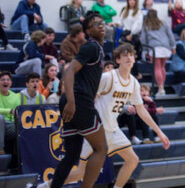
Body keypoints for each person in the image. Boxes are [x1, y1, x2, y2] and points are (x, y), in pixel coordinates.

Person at [41, 44, 170, 188]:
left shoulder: (133, 82)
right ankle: (45, 186)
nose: (129, 58)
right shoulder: (107, 77)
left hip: (113, 129)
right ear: (117, 59)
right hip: (96, 130)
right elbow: (87, 94)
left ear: (134, 59)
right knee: (79, 174)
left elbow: (141, 110)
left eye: (131, 55)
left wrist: (159, 132)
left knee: (133, 160)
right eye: (125, 55)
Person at [48, 12, 107, 188]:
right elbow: (68, 71)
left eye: (102, 22)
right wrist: (72, 102)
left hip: (74, 100)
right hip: (78, 101)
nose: (101, 25)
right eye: (96, 24)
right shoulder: (91, 47)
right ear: (88, 30)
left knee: (72, 155)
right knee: (101, 148)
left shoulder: (97, 48)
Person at [139, 9, 175, 96]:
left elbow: (143, 39)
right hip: (165, 47)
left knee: (157, 68)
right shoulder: (163, 23)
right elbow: (170, 34)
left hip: (154, 47)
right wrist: (173, 46)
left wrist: (145, 50)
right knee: (162, 67)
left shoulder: (146, 25)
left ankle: (161, 89)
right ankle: (162, 88)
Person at [0, 71, 20, 154]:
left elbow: (19, 112)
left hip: (11, 125)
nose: (5, 81)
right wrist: (9, 111)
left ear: (11, 83)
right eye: (2, 80)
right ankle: (1, 149)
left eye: (8, 80)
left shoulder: (15, 96)